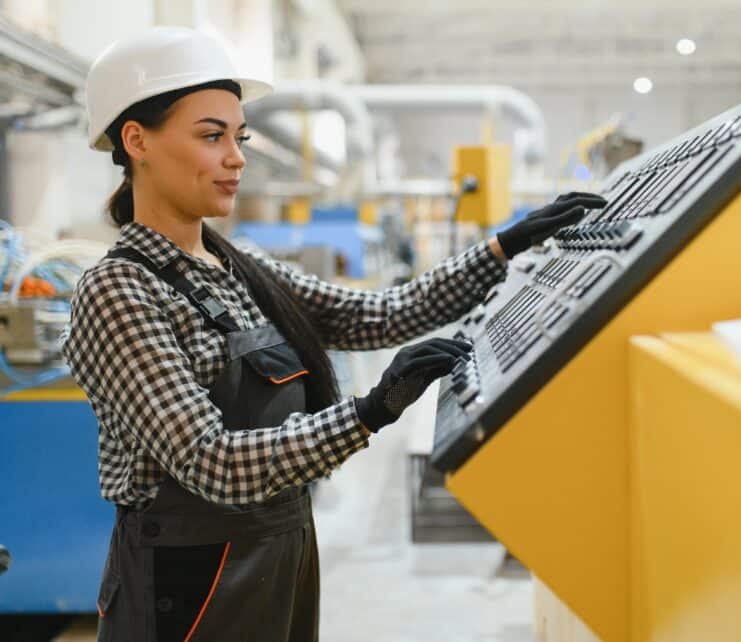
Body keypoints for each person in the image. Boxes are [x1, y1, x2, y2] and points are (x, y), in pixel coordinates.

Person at [60, 26, 606, 642]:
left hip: (280, 550)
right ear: (137, 141)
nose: (236, 157)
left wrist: (504, 247)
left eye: (239, 137)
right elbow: (212, 462)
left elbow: (381, 314)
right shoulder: (119, 291)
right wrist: (369, 412)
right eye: (212, 136)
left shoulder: (241, 268)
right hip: (183, 584)